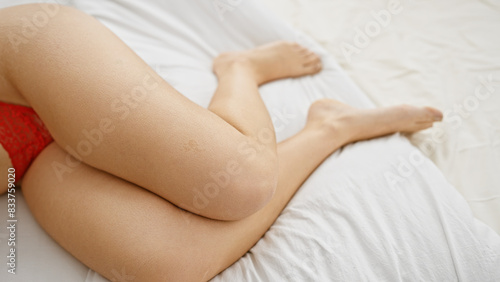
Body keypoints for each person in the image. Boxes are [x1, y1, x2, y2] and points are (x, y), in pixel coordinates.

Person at [0, 4, 443, 281]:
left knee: (240, 180)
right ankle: (329, 128)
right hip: (29, 160)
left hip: (17, 62)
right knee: (171, 268)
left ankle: (238, 69)